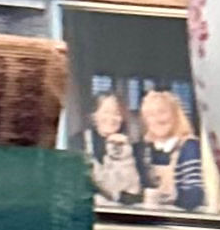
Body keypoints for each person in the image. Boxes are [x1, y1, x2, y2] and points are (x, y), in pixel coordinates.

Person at [137, 86, 206, 214]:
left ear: (175, 115)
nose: (158, 119)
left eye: (162, 112)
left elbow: (193, 196)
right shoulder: (144, 149)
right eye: (151, 115)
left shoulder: (189, 147)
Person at [86, 85, 143, 206]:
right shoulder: (80, 142)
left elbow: (136, 195)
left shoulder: (133, 147)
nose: (112, 118)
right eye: (106, 112)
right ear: (94, 115)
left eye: (117, 113)